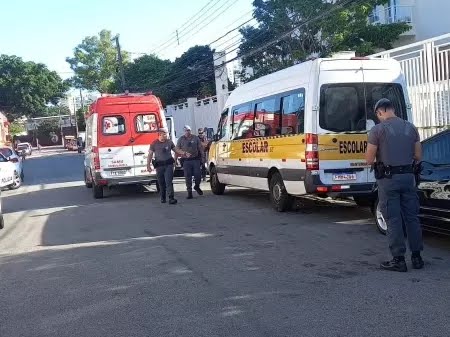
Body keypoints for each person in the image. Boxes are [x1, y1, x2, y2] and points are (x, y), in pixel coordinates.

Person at [365, 98, 424, 272]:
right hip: (408, 178)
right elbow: (418, 156)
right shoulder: (411, 128)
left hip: (389, 180)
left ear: (379, 112)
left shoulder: (377, 130)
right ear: (393, 109)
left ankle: (398, 260)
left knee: (393, 219)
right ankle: (417, 258)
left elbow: (369, 159)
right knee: (412, 217)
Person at [147, 127, 188, 205]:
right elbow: (150, 155)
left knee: (169, 181)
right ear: (160, 134)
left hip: (168, 165)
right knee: (161, 183)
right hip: (159, 166)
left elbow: (176, 150)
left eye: (167, 133)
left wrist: (184, 153)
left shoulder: (169, 142)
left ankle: (171, 198)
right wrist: (148, 165)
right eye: (165, 133)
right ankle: (163, 197)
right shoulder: (154, 143)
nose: (166, 135)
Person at [177, 125, 204, 199]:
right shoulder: (181, 139)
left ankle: (197, 186)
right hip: (186, 161)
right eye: (186, 131)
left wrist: (203, 158)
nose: (188, 132)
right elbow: (177, 149)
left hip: (195, 159)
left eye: (189, 130)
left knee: (198, 175)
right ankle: (189, 192)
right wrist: (184, 153)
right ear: (184, 131)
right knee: (187, 176)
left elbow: (200, 148)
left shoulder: (195, 138)